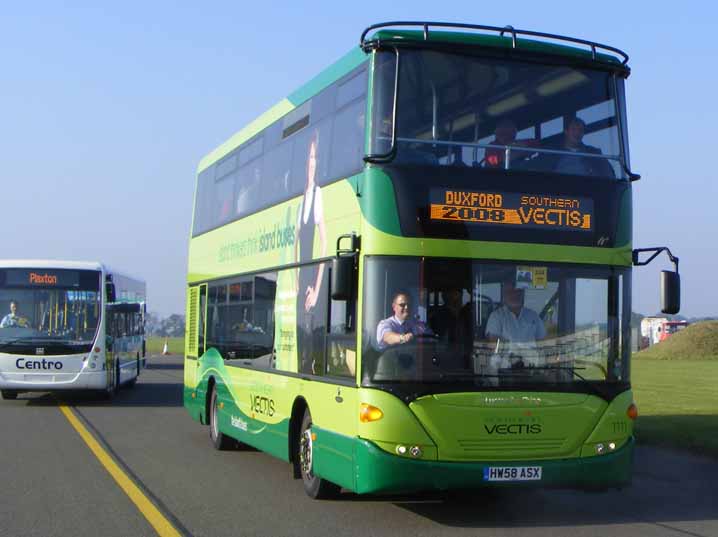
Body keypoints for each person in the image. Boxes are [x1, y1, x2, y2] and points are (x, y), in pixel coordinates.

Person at [294, 130, 327, 374]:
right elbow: (295, 242)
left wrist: (316, 287)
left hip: (311, 278)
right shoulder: (300, 197)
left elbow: (325, 245)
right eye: (308, 158)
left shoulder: (318, 194)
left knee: (309, 333)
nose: (311, 164)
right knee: (298, 334)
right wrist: (295, 279)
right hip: (299, 278)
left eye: (315, 158)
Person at [547, 117, 615, 177]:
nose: (577, 133)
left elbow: (609, 174)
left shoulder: (594, 153)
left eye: (580, 130)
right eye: (573, 129)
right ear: (566, 132)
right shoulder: (552, 153)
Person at [485, 280, 545, 346]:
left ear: (522, 294)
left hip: (531, 356)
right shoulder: (496, 316)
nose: (514, 295)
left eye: (517, 291)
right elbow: (493, 342)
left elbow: (543, 342)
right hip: (505, 356)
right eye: (510, 292)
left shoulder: (533, 316)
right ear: (504, 295)